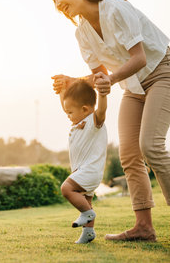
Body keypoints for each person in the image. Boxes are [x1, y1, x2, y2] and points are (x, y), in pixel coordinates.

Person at [47, 0, 170, 248]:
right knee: (129, 155)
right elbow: (99, 76)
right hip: (132, 87)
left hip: (160, 72)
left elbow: (139, 58)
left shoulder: (114, 8)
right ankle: (143, 226)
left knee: (150, 146)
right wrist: (73, 80)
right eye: (53, 1)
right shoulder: (81, 34)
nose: (58, 4)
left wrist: (112, 78)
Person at [59, 80, 107, 244]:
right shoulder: (78, 122)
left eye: (70, 112)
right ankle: (88, 233)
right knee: (86, 201)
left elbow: (101, 110)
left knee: (66, 188)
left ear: (85, 109)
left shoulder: (94, 122)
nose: (68, 115)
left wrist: (102, 93)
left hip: (90, 171)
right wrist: (62, 91)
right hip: (82, 171)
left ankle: (88, 214)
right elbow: (68, 106)